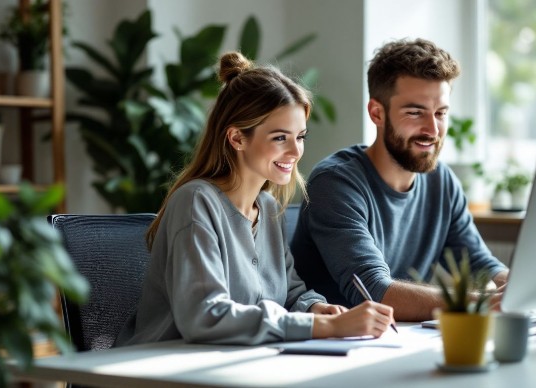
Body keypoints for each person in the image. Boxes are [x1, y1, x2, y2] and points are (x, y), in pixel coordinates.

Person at [116, 52, 394, 347]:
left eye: (300, 137)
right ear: (237, 138)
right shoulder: (196, 202)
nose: (295, 151)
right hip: (158, 369)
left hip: (232, 364)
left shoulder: (268, 207)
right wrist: (322, 326)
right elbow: (205, 316)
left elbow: (291, 293)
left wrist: (314, 308)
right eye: (279, 138)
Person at [291, 38, 509, 321]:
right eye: (415, 112)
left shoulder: (441, 181)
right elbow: (373, 289)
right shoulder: (335, 183)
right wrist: (480, 302)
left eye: (440, 113)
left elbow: (480, 265)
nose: (432, 129)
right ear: (377, 113)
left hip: (400, 339)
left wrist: (518, 287)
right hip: (332, 345)